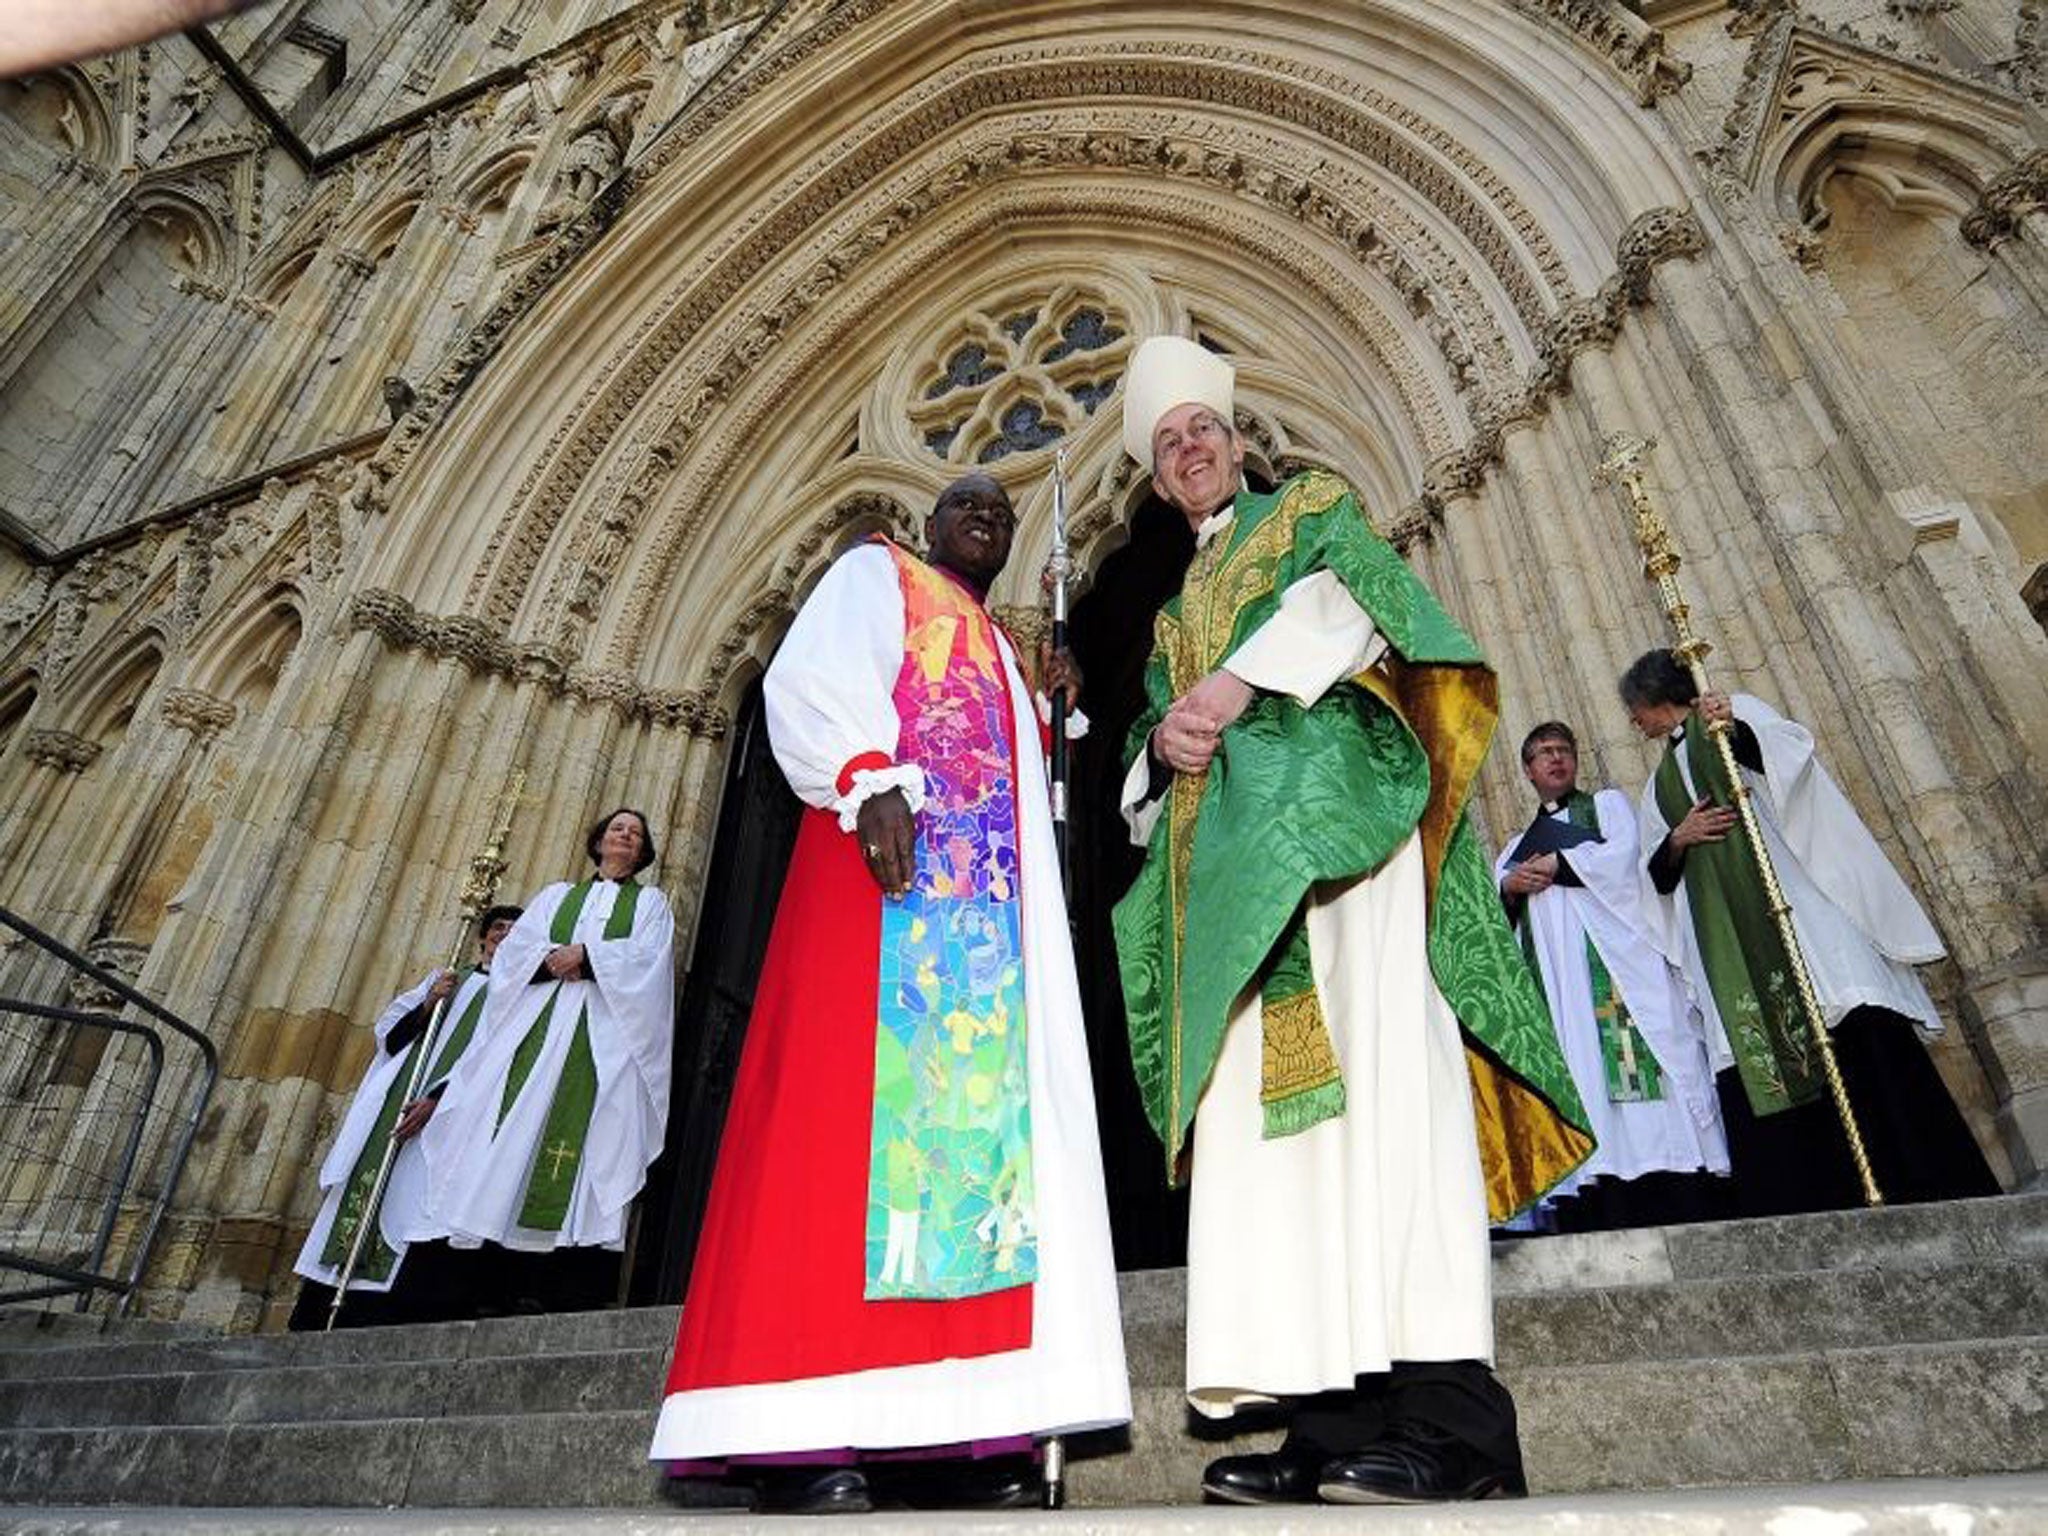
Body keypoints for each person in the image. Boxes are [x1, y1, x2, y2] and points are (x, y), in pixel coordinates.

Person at [1111, 335, 1590, 1506]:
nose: (1189, 449)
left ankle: (1450, 1426)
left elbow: (1359, 604)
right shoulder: (1174, 618)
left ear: (1237, 443)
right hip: (1234, 899)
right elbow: (1149, 747)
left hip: (1347, 858)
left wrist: (1232, 687)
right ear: (1159, 477)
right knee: (1269, 1144)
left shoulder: (1309, 511)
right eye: (1168, 442)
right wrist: (1158, 743)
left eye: (1203, 430)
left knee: (1383, 1103)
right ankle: (1325, 1424)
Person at [653, 474, 1130, 1514]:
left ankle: (945, 1433)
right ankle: (801, 1426)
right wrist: (866, 775)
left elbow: (1005, 776)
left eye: (1001, 517)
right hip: (884, 893)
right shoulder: (879, 574)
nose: (987, 522)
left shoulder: (994, 642)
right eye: (968, 507)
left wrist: (1055, 712)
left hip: (982, 950)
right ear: (928, 523)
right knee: (844, 1143)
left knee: (971, 1171)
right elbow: (814, 679)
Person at [1619, 649, 1999, 1214]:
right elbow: (1655, 873)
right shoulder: (1656, 787)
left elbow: (1790, 763)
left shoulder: (1735, 710)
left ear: (1656, 698)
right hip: (1729, 945)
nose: (1634, 723)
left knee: (1847, 1022)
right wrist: (1679, 837)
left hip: (1796, 906)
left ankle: (1920, 1180)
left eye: (1636, 710)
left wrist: (1734, 730)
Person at [412, 809, 675, 1311]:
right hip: (537, 1036)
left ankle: (558, 1286)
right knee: (513, 1136)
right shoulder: (555, 897)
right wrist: (553, 956)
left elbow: (650, 964)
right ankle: (490, 1281)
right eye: (617, 828)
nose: (625, 835)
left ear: (643, 853)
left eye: (635, 833)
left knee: (592, 1144)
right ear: (597, 841)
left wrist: (590, 956)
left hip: (600, 1043)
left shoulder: (651, 905)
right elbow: (513, 955)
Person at [1495, 723, 1728, 1232]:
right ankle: (1596, 1192)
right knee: (1584, 1083)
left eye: (1563, 750)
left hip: (1616, 977)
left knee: (1639, 1073)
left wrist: (1560, 863)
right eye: (1543, 753)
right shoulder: (1514, 846)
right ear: (1528, 771)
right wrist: (1510, 886)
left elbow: (1627, 862)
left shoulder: (1606, 808)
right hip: (1559, 1000)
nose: (1556, 760)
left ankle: (1671, 1187)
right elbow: (1494, 921)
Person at [287, 903, 521, 1329]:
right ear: (482, 937)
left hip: (452, 1119)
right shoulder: (446, 980)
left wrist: (439, 1101)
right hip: (400, 1104)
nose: (505, 935)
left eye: (515, 930)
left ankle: (397, 1313)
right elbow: (391, 1038)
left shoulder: (518, 996)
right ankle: (327, 1312)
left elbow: (495, 1064)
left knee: (423, 1209)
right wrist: (429, 1003)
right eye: (498, 927)